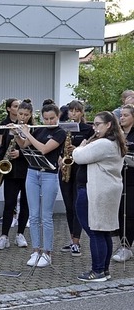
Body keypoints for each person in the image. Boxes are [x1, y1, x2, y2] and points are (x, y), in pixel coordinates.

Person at [73, 111, 126, 281]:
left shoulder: (104, 143)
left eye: (98, 124)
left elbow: (79, 156)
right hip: (106, 190)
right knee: (103, 231)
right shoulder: (114, 142)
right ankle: (104, 270)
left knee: (95, 231)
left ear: (109, 125)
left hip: (95, 191)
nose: (94, 128)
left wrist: (81, 146)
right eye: (93, 124)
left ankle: (97, 271)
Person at [16, 99, 66, 268]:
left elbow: (44, 149)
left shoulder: (60, 133)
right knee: (34, 215)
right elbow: (24, 146)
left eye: (52, 118)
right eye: (46, 118)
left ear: (57, 116)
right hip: (32, 173)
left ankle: (47, 252)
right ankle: (36, 250)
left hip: (49, 175)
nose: (49, 122)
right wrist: (16, 133)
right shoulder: (39, 130)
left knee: (46, 216)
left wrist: (28, 133)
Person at [0, 99, 33, 250]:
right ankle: (4, 236)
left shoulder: (33, 129)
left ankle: (20, 234)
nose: (22, 117)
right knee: (9, 204)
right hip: (10, 171)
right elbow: (3, 148)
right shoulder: (8, 128)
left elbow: (35, 149)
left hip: (27, 171)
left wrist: (20, 153)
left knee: (25, 204)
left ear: (30, 115)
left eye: (26, 114)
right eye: (20, 113)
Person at [59, 100, 93, 256]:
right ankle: (72, 238)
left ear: (82, 113)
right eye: (71, 111)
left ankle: (77, 242)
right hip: (66, 169)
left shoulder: (87, 129)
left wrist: (78, 149)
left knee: (76, 205)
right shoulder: (63, 128)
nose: (73, 113)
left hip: (79, 169)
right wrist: (60, 158)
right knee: (68, 206)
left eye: (76, 111)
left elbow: (91, 148)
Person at [113, 104, 134, 262]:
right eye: (121, 115)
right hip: (118, 178)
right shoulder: (117, 135)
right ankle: (122, 243)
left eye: (126, 115)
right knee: (120, 212)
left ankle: (127, 246)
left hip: (132, 178)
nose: (122, 118)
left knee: (130, 213)